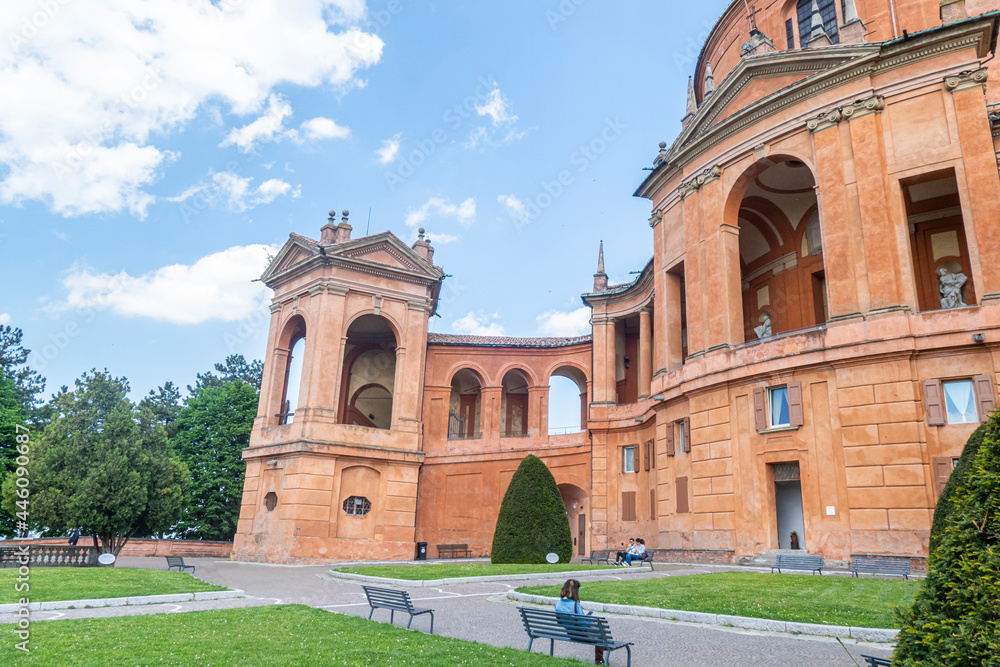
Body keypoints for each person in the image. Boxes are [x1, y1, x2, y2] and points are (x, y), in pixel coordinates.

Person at [555, 579, 604, 665]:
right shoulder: (575, 605)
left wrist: (583, 617)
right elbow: (584, 625)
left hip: (571, 633)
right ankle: (599, 660)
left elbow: (560, 622)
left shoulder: (558, 604)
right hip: (582, 635)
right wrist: (593, 620)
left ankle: (602, 649)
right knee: (601, 624)